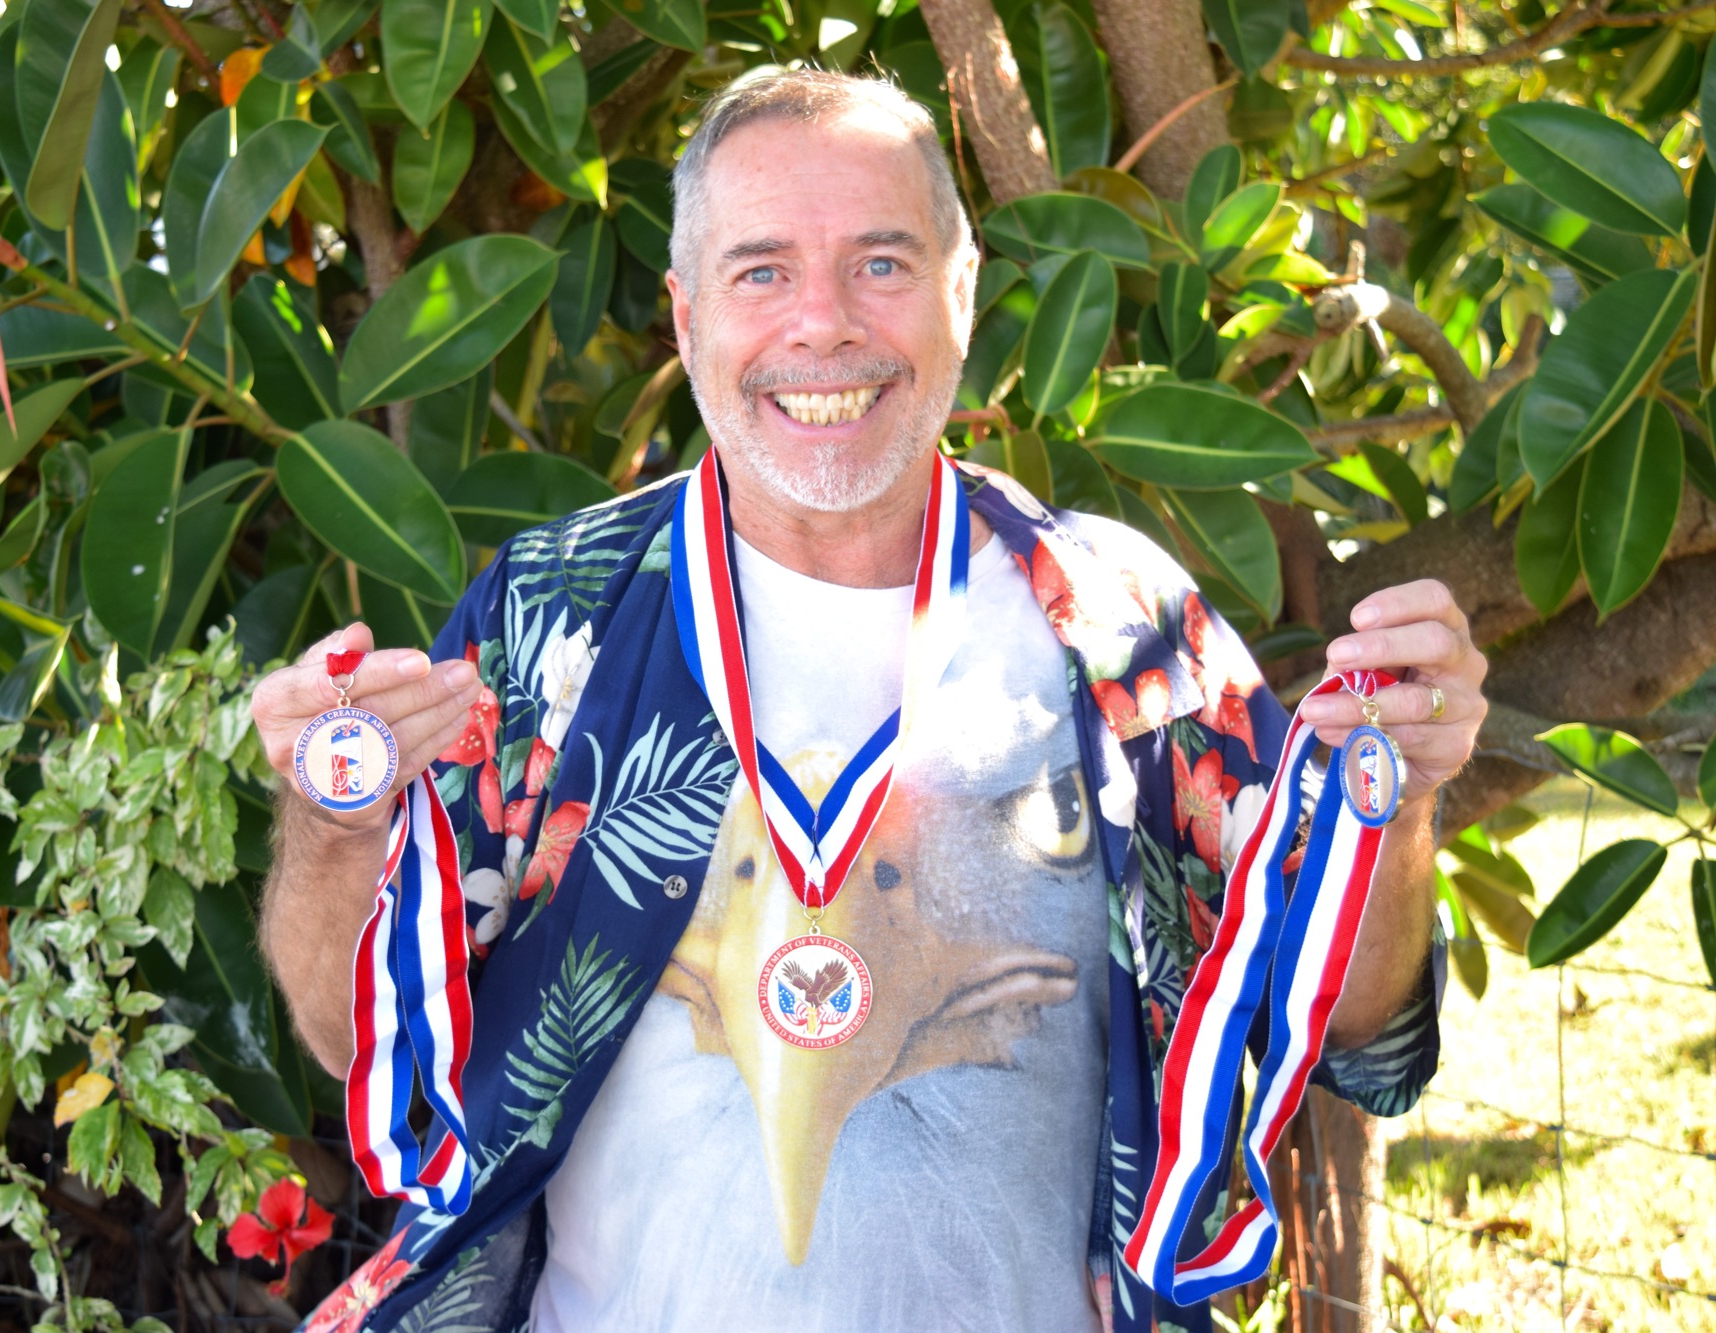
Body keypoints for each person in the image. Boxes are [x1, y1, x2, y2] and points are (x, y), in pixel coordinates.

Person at [252, 69, 1489, 1333]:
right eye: (761, 271)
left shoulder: (1120, 626)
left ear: (962, 295)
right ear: (685, 319)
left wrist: (1392, 803)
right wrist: (336, 824)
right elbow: (358, 1039)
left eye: (881, 264)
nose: (823, 324)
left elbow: (1352, 1029)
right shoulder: (554, 621)